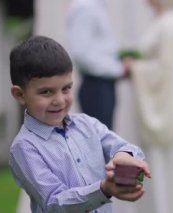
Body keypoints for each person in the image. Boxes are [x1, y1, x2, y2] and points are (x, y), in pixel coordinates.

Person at [8, 35, 151, 213]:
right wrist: (103, 189)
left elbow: (125, 148)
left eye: (66, 88)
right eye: (46, 92)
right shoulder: (24, 148)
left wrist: (122, 156)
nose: (59, 100)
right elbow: (54, 202)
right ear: (20, 95)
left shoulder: (87, 124)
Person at [128, 0, 173, 212]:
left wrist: (134, 68)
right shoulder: (162, 22)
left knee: (170, 166)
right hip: (163, 104)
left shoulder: (169, 25)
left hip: (168, 108)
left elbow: (166, 70)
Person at [66, 0, 130, 130]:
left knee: (106, 140)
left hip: (103, 85)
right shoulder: (85, 7)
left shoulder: (95, 6)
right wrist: (118, 69)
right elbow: (81, 54)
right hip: (96, 87)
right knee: (100, 143)